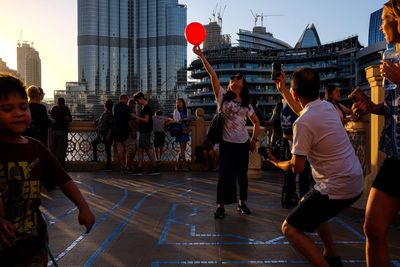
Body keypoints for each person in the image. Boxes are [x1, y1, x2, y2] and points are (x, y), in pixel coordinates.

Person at [268, 67, 363, 266]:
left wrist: (277, 163)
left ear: (296, 93)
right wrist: (283, 90)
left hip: (337, 187)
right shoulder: (327, 107)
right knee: (309, 201)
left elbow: (297, 167)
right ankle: (331, 254)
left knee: (290, 229)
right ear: (318, 89)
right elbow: (304, 111)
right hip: (356, 181)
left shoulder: (302, 124)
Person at [0, 73, 95, 266]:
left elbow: (63, 178)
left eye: (23, 107)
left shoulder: (35, 147)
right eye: (7, 109)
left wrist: (83, 207)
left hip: (34, 242)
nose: (18, 113)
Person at [353, 1, 400, 266]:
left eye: (384, 19)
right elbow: (394, 104)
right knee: (372, 228)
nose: (381, 26)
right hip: (395, 156)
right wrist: (371, 107)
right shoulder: (391, 55)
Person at [193, 45, 261, 219]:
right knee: (224, 175)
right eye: (232, 79)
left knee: (242, 175)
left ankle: (242, 203)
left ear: (243, 84)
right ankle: (221, 206)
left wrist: (254, 140)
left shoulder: (247, 103)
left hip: (243, 143)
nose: (234, 80)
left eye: (238, 78)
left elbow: (256, 122)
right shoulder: (222, 96)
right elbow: (212, 75)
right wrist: (201, 56)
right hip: (227, 142)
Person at [280, 100, 311, 209]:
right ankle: (304, 200)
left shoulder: (284, 110)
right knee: (303, 174)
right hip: (299, 144)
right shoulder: (296, 109)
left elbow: (285, 131)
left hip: (290, 144)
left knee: (290, 174)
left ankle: (287, 198)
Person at [132, 92, 159, 175]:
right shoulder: (144, 108)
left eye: (137, 101)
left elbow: (146, 120)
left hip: (146, 131)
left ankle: (154, 167)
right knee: (140, 149)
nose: (137, 103)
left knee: (147, 149)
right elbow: (144, 119)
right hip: (143, 131)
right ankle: (140, 167)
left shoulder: (146, 108)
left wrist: (136, 117)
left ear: (140, 99)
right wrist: (138, 119)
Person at [112, 94, 134, 173]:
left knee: (120, 150)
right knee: (130, 149)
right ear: (124, 99)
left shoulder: (114, 107)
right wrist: (132, 130)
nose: (128, 101)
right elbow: (129, 121)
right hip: (126, 132)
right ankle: (128, 166)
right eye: (127, 99)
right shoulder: (127, 108)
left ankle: (122, 166)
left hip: (117, 132)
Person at [90, 99, 114, 171]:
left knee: (108, 150)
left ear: (106, 105)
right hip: (101, 135)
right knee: (94, 143)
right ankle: (95, 159)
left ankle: (108, 166)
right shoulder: (105, 113)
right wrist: (95, 122)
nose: (104, 105)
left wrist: (108, 135)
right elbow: (100, 120)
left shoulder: (110, 114)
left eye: (105, 104)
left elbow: (111, 125)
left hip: (106, 135)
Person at [50, 97, 72, 167]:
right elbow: (70, 119)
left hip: (54, 131)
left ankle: (53, 165)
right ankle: (60, 166)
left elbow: (51, 118)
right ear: (64, 102)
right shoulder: (66, 109)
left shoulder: (54, 108)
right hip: (63, 130)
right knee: (61, 149)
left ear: (57, 102)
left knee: (54, 148)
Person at [172, 98, 191, 170]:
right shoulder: (176, 111)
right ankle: (185, 164)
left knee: (183, 148)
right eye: (177, 103)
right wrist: (184, 120)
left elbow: (189, 119)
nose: (178, 104)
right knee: (182, 148)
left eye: (179, 102)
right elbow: (177, 120)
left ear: (183, 103)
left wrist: (186, 120)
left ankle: (177, 164)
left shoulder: (187, 110)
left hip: (186, 130)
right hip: (180, 130)